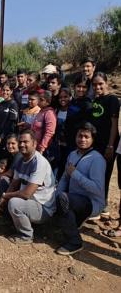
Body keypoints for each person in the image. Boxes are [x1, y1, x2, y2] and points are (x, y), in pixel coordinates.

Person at [0, 129, 56, 244]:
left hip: (43, 207)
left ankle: (26, 235)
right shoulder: (21, 159)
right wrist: (4, 199)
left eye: (25, 142)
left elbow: (26, 194)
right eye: (20, 142)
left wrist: (6, 196)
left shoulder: (39, 163)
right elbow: (14, 183)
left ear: (34, 144)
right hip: (27, 203)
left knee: (14, 203)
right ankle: (13, 224)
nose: (22, 145)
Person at [55, 123, 105, 255]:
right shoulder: (72, 154)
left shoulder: (97, 159)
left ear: (92, 139)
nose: (82, 139)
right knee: (59, 198)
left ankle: (74, 242)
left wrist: (76, 174)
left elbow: (97, 189)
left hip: (91, 202)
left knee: (63, 199)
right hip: (74, 199)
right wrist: (55, 197)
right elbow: (65, 178)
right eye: (80, 136)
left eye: (86, 137)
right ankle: (73, 220)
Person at [88, 72, 120, 218]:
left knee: (105, 174)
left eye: (100, 83)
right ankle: (96, 203)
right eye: (94, 84)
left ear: (106, 83)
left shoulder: (112, 100)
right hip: (95, 143)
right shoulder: (96, 100)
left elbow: (114, 125)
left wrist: (110, 146)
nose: (97, 87)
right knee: (95, 174)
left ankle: (103, 206)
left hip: (107, 143)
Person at [64, 75, 92, 152]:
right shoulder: (73, 101)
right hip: (67, 139)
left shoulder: (87, 104)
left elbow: (86, 125)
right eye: (78, 86)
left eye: (84, 87)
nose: (81, 89)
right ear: (74, 86)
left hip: (77, 142)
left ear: (88, 89)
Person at [0, 83, 18, 166]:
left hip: (6, 139)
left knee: (5, 162)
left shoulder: (13, 104)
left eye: (7, 90)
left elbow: (11, 124)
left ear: (11, 91)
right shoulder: (0, 104)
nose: (5, 92)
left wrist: (1, 137)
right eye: (3, 90)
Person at [52, 88, 71, 179]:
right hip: (57, 146)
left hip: (68, 146)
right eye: (60, 97)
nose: (62, 99)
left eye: (65, 97)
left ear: (70, 97)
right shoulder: (56, 111)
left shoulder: (72, 111)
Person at [31, 90, 57, 155]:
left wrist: (42, 148)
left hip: (43, 150)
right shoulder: (41, 111)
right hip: (35, 146)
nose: (39, 101)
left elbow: (50, 132)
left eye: (41, 100)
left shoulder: (49, 113)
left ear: (48, 102)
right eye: (39, 99)